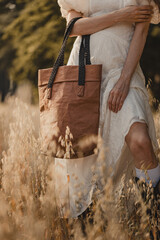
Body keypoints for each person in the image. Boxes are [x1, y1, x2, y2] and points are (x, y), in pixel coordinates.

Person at [55, 0, 160, 220]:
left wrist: (124, 80)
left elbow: (141, 30)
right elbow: (74, 27)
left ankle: (152, 219)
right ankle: (88, 221)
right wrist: (122, 15)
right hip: (84, 72)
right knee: (83, 155)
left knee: (140, 140)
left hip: (123, 69)